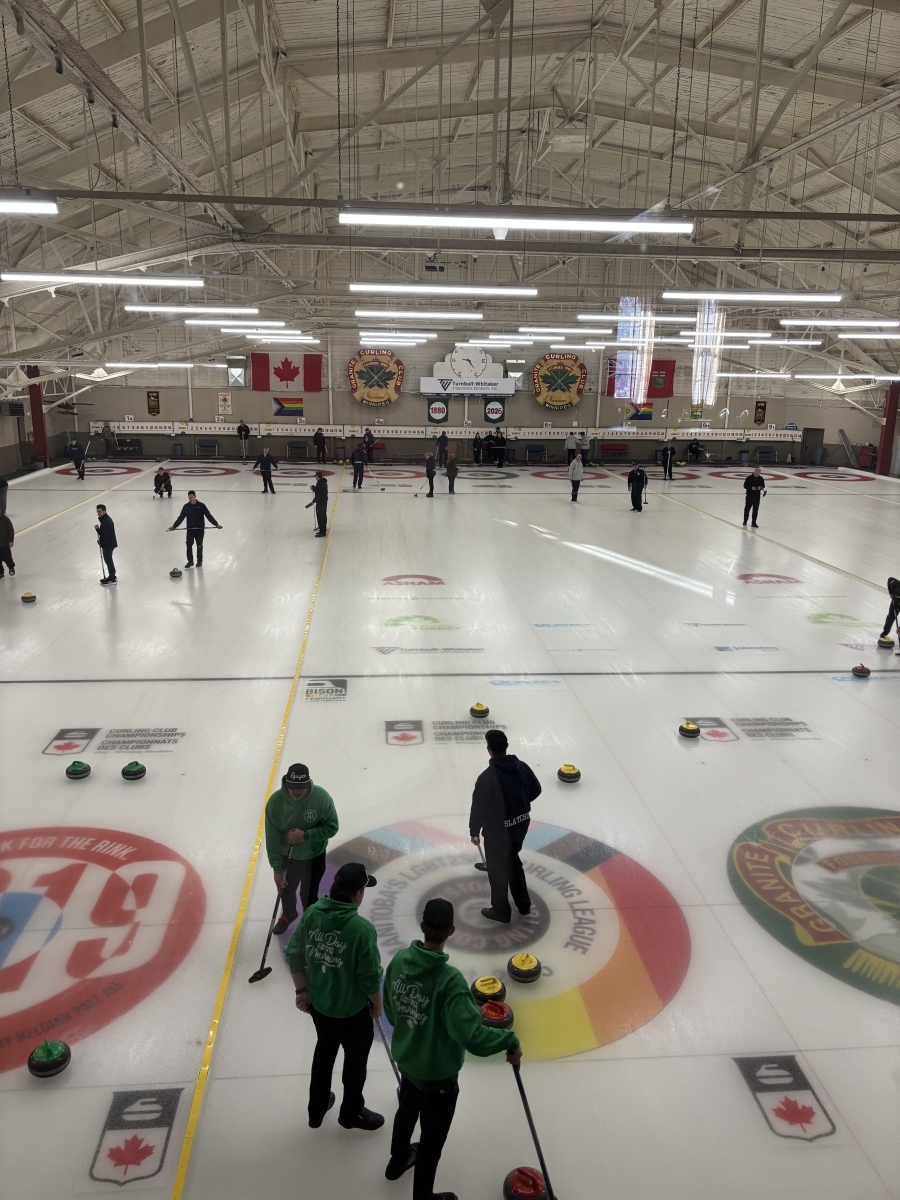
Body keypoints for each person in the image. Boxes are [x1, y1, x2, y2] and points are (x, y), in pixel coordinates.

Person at [383, 897, 522, 1200]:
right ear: (452, 930)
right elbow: (472, 1037)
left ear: (422, 926)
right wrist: (509, 1040)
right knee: (431, 1142)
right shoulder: (450, 982)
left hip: (407, 1060)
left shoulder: (399, 961)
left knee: (406, 1109)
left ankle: (398, 1160)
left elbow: (391, 1011)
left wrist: (412, 1029)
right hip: (438, 1077)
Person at [287, 862, 384, 1132]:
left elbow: (294, 953)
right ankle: (350, 1113)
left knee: (324, 1052)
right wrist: (377, 1004)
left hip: (319, 1006)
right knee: (355, 1064)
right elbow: (368, 977)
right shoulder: (361, 929)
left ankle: (316, 1110)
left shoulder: (313, 913)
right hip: (353, 1012)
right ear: (357, 894)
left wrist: (301, 991)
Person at [468, 728, 541, 923]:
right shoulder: (522, 767)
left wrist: (474, 831)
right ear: (506, 747)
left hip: (498, 832)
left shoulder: (487, 777)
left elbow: (478, 808)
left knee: (497, 870)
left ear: (489, 749)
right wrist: (519, 806)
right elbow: (536, 789)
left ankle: (501, 910)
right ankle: (523, 905)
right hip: (520, 826)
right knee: (513, 860)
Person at [265, 762, 339, 935]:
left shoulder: (321, 797)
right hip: (288, 858)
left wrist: (306, 835)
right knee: (286, 892)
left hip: (314, 857)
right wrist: (276, 868)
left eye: (301, 787)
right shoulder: (275, 803)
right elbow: (272, 839)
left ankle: (310, 920)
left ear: (308, 783)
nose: (297, 791)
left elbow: (332, 827)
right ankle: (289, 914)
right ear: (286, 783)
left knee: (309, 894)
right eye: (293, 786)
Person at [168, 490, 221, 568]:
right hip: (190, 530)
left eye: (192, 497)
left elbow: (209, 516)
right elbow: (181, 517)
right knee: (189, 545)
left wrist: (216, 524)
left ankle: (199, 561)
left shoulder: (201, 505)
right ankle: (190, 561)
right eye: (189, 497)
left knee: (199, 545)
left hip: (200, 530)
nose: (190, 499)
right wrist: (174, 526)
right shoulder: (186, 506)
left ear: (195, 496)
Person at [95, 504, 117, 585]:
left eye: (100, 511)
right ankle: (112, 575)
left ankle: (112, 577)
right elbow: (106, 534)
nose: (98, 513)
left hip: (108, 545)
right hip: (107, 543)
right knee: (108, 560)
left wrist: (97, 530)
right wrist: (101, 542)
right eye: (97, 512)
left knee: (108, 560)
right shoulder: (104, 519)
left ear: (104, 511)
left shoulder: (106, 521)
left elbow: (104, 533)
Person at [879, 577, 900, 643]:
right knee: (891, 616)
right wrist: (891, 593)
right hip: (895, 602)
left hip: (896, 601)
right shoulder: (895, 584)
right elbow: (890, 579)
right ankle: (885, 632)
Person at [312, 471, 328, 536]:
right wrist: (314, 488)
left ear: (318, 476)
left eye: (315, 476)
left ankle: (322, 532)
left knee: (320, 516)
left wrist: (314, 500)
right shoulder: (323, 482)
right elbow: (319, 491)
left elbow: (319, 494)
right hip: (324, 501)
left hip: (320, 502)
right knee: (323, 515)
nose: (315, 477)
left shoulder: (320, 483)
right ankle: (324, 528)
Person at [0, 511, 15, 578]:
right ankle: (1, 572)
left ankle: (11, 567)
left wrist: (11, 541)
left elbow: (10, 530)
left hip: (5, 543)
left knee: (7, 557)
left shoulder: (5, 520)